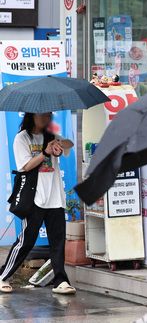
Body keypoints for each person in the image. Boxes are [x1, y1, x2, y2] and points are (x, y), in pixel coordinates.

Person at [0, 113, 76, 295]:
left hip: (55, 197)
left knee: (57, 241)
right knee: (27, 240)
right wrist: (45, 153)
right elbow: (25, 166)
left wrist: (59, 145)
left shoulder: (51, 136)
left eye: (48, 115)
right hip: (34, 199)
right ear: (32, 116)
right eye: (42, 115)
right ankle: (3, 275)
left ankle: (60, 281)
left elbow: (70, 145)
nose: (46, 117)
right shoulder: (22, 138)